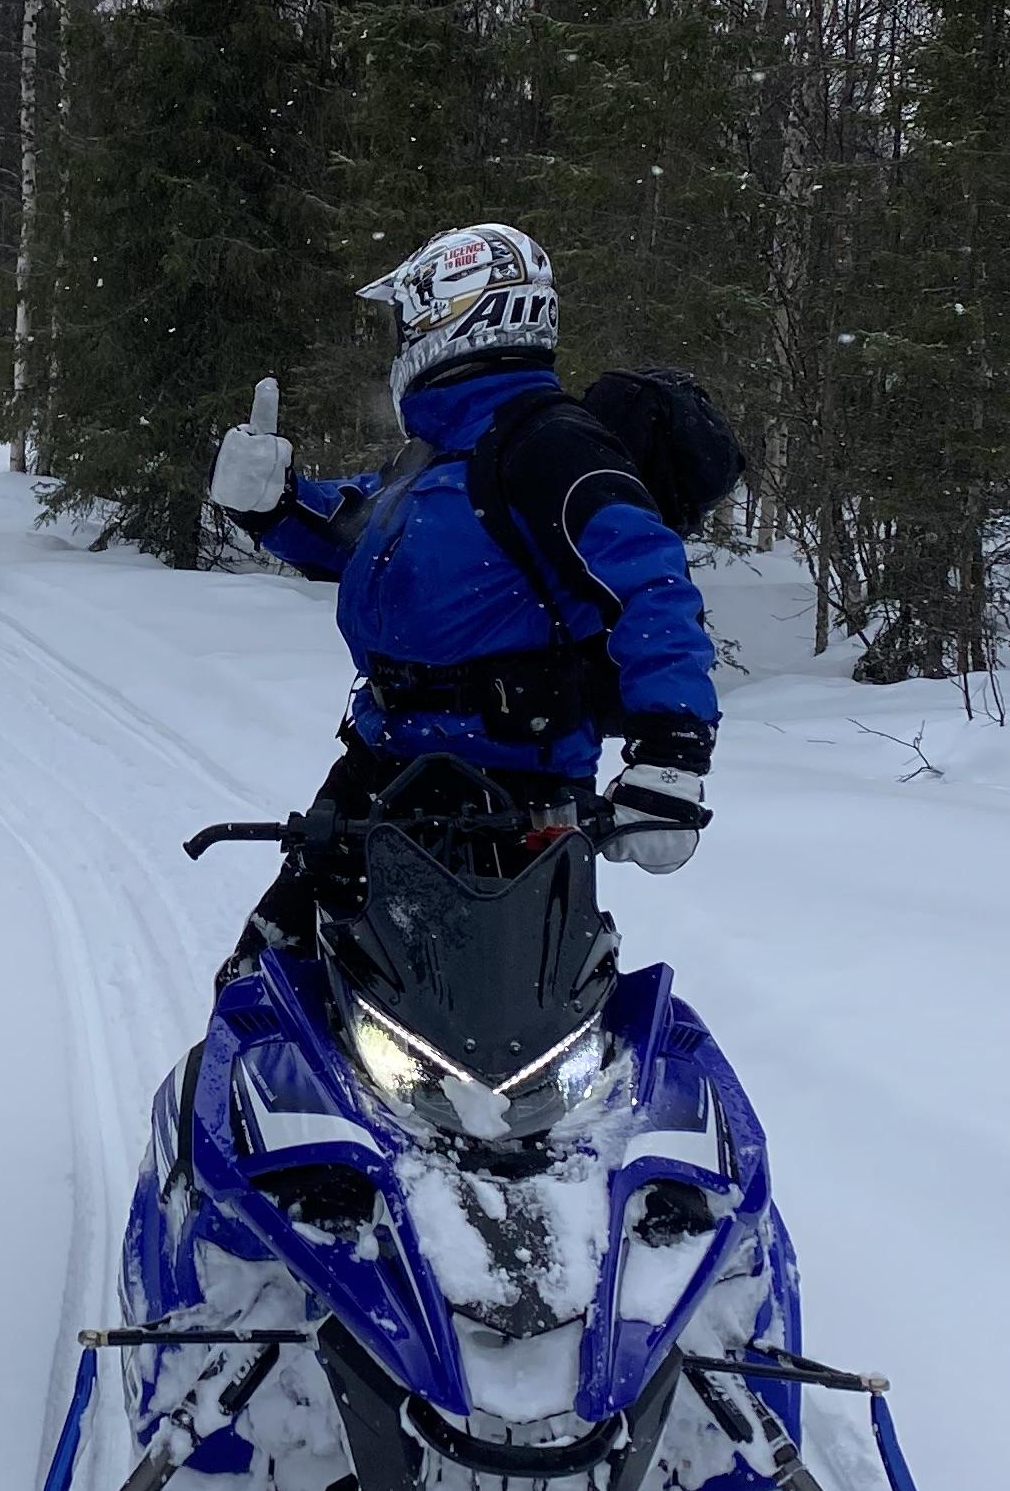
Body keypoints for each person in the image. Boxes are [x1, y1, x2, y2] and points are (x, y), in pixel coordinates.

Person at [205, 221, 717, 950]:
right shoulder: (438, 455)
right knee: (269, 976)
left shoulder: (553, 445)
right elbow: (361, 537)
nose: (398, 341)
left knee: (502, 1011)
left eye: (406, 321)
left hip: (511, 802)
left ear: (452, 314)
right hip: (382, 773)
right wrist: (275, 504)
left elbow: (652, 584)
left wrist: (671, 755)